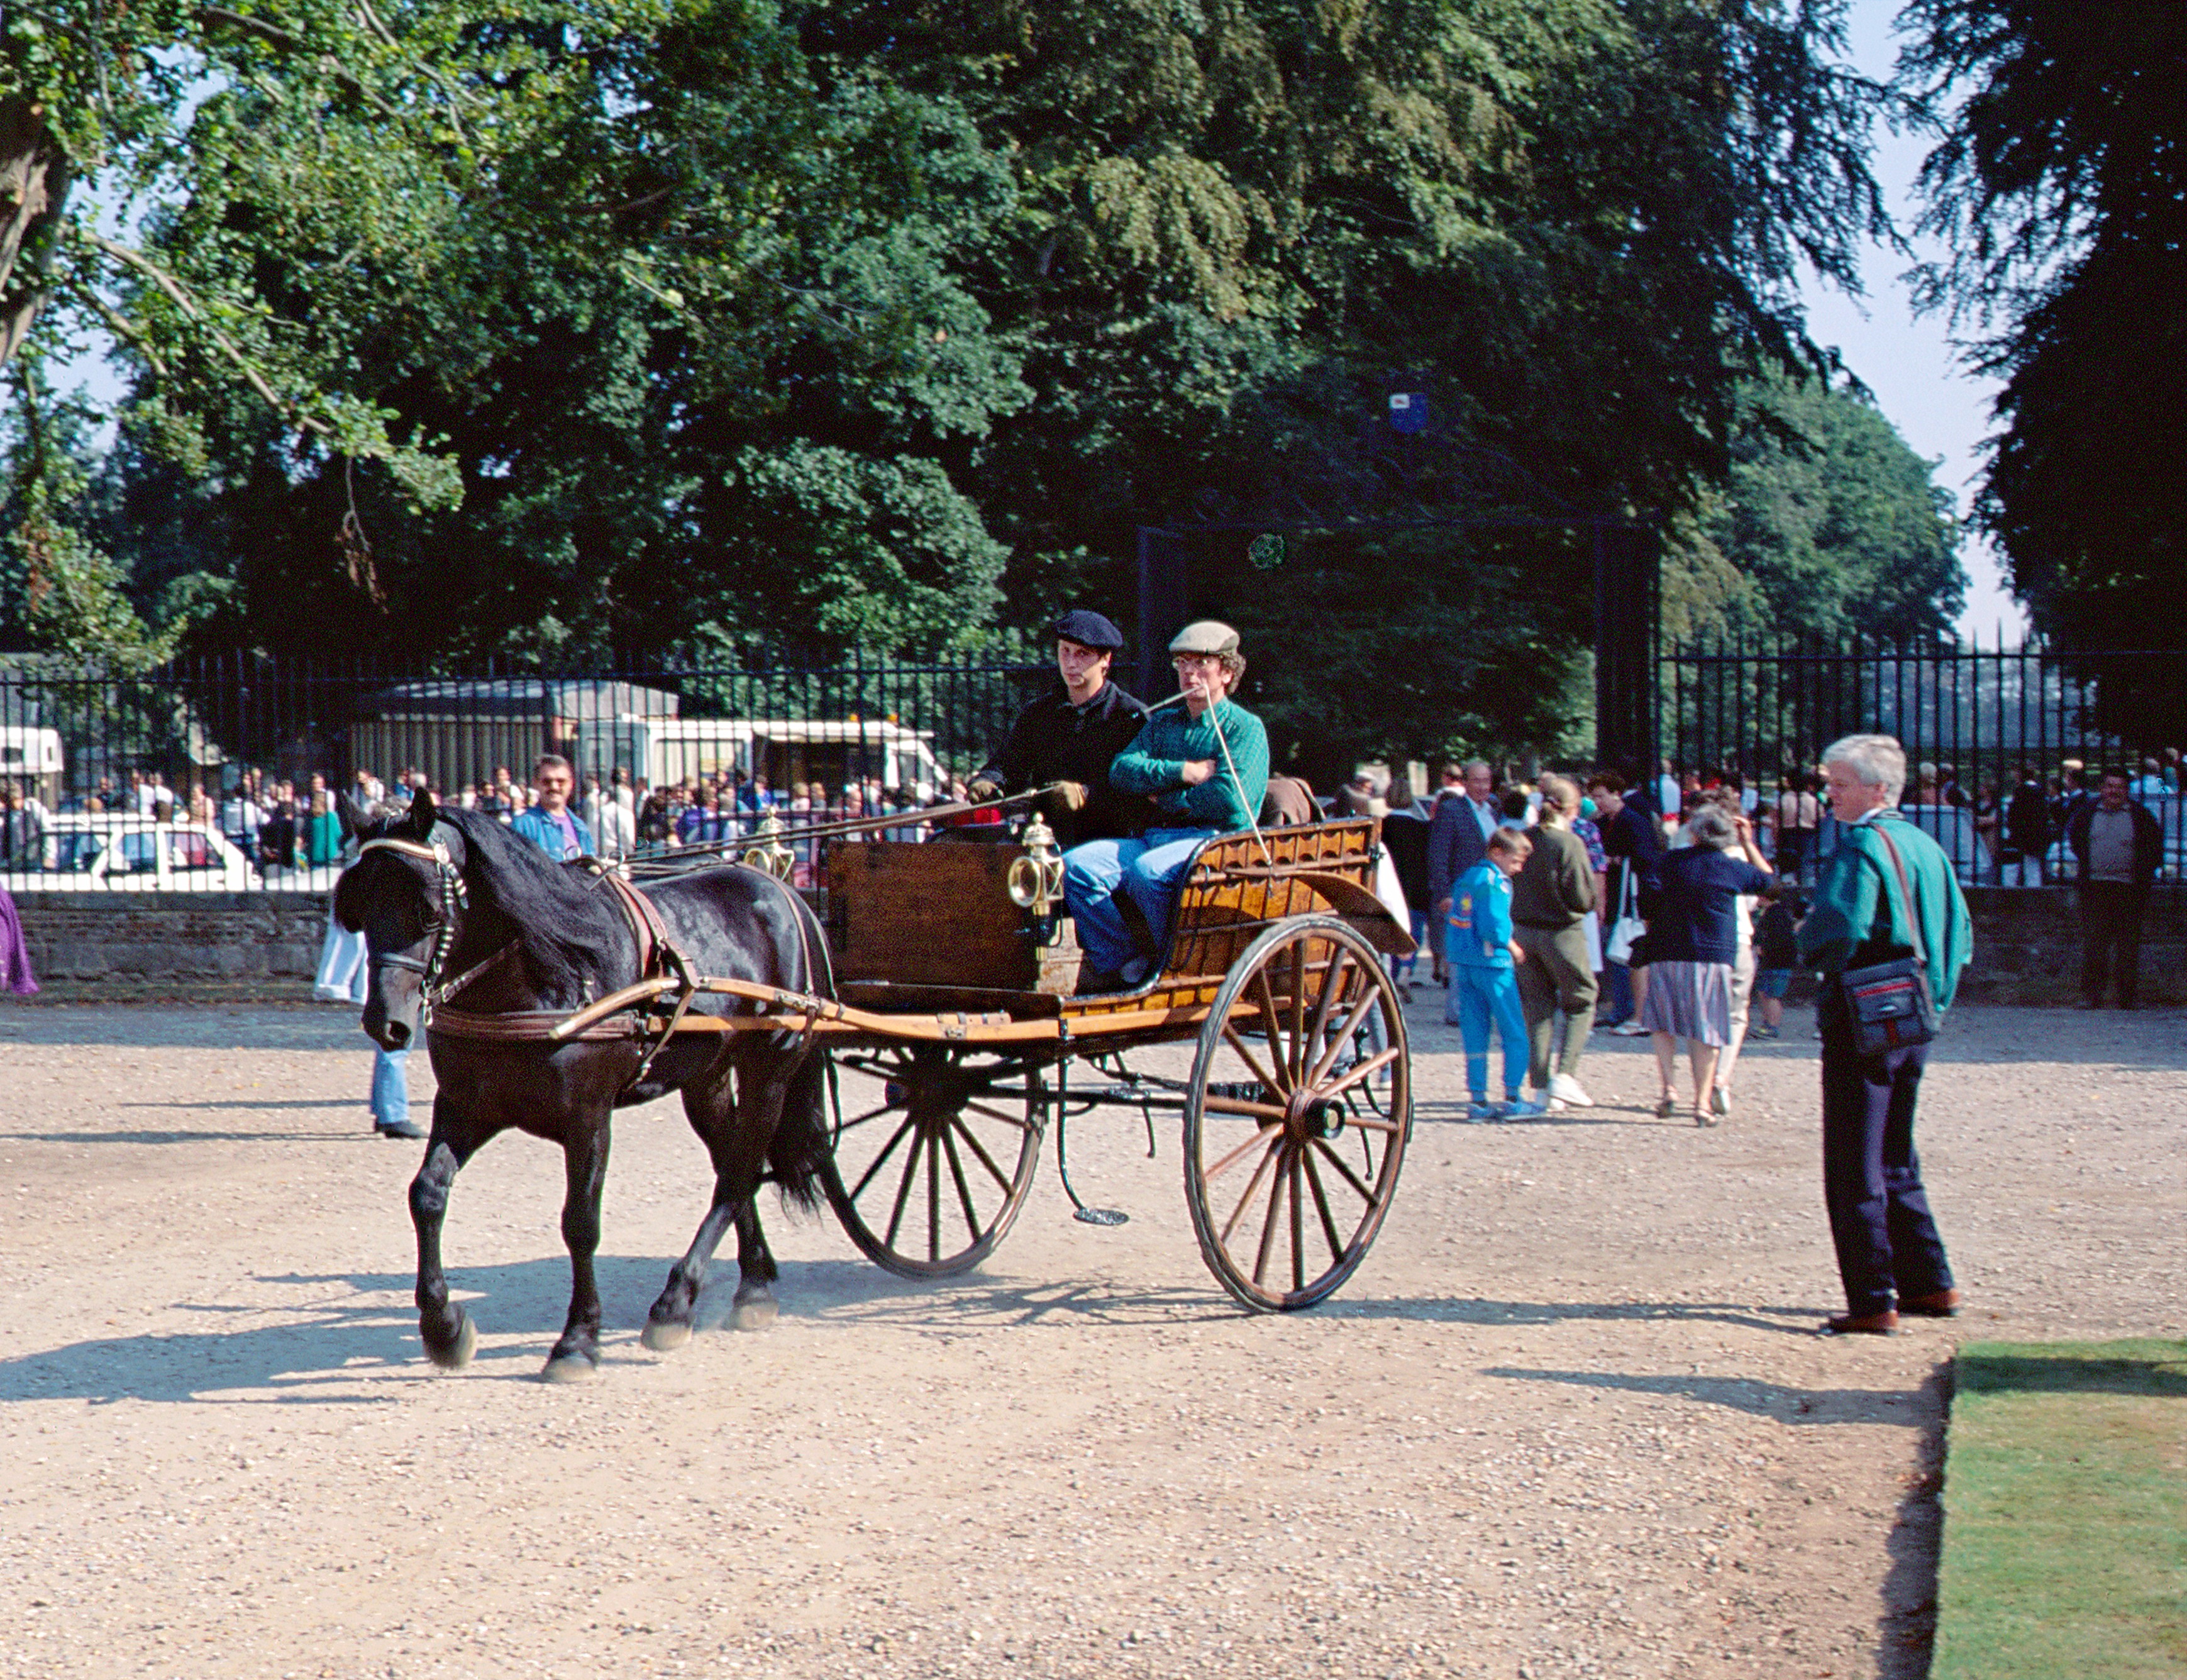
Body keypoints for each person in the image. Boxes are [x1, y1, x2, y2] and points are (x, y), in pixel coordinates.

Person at [1798, 732, 1972, 1337]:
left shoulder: (1863, 847)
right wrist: (1939, 998)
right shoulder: (1927, 844)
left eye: (1839, 784)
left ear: (1878, 788)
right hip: (1916, 1013)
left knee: (1855, 1160)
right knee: (1897, 1152)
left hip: (1864, 1014)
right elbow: (1960, 934)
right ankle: (1930, 1281)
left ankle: (1873, 1296)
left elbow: (1836, 927)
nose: (1829, 795)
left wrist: (1803, 944)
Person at [1061, 620, 1268, 992]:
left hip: (1216, 842)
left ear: (1226, 671)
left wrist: (1165, 796)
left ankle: (1174, 963)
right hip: (1155, 837)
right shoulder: (1163, 724)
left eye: (1201, 663)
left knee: (1148, 873)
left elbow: (1231, 801)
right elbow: (1122, 771)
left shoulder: (1244, 728)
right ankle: (1123, 961)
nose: (1190, 673)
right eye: (1183, 664)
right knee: (1076, 867)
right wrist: (1183, 772)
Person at [968, 609, 1151, 847]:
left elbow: (1141, 795)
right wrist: (987, 781)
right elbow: (1007, 764)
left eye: (1083, 654)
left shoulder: (1130, 717)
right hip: (1043, 835)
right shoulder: (1038, 713)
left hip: (1109, 842)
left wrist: (1086, 795)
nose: (1071, 663)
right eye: (1065, 651)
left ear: (1106, 660)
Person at [1637, 804, 1773, 1127]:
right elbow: (1771, 885)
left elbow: (1646, 898)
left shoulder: (1670, 862)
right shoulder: (1731, 867)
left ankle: (1669, 1088)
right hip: (1713, 955)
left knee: (1663, 1023)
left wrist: (1652, 925)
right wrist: (1750, 844)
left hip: (1666, 949)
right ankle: (1701, 1103)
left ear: (1695, 834)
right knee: (1706, 1030)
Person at [1509, 774, 1598, 1110]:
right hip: (1561, 932)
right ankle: (1566, 1075)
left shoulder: (1525, 838)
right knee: (1582, 999)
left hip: (1523, 932)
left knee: (1537, 1009)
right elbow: (1582, 897)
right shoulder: (1569, 843)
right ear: (1572, 810)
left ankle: (1542, 1087)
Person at [1447, 827, 1541, 1121]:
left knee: (1474, 1033)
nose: (1518, 869)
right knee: (1514, 1030)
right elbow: (1494, 925)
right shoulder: (1495, 882)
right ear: (1497, 853)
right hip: (1494, 965)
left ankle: (1477, 1101)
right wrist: (1511, 946)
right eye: (1515, 862)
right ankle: (1513, 1098)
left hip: (1464, 963)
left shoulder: (1469, 877)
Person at [2064, 768, 2164, 1009]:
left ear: (2127, 791)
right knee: (2095, 944)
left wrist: (2142, 875)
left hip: (2130, 890)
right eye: (2110, 786)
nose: (2114, 792)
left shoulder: (2141, 816)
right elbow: (2077, 841)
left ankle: (2126, 997)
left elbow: (2153, 849)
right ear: (2102, 788)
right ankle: (2092, 996)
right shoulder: (2087, 814)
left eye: (2120, 787)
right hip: (2096, 888)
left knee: (2128, 946)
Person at [1586, 772, 1659, 1033]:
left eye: (1601, 796)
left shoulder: (1632, 821)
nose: (1598, 802)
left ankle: (1628, 1008)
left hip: (1631, 894)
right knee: (1615, 949)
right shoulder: (1606, 821)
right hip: (1617, 891)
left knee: (1624, 949)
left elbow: (1645, 858)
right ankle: (1621, 1006)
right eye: (1594, 797)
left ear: (1616, 793)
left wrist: (1614, 860)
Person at [1427, 761, 1501, 940]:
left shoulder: (1494, 810)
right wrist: (1444, 894)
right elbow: (1438, 855)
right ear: (1465, 783)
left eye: (1486, 781)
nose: (1482, 787)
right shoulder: (1451, 810)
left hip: (1491, 894)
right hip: (1463, 895)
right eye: (1477, 781)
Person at [511, 754, 594, 861]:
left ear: (571, 784)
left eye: (561, 781)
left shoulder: (581, 827)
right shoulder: (524, 825)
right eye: (547, 781)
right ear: (535, 783)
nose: (554, 787)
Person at [1749, 884, 1801, 1039]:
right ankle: (1766, 1023)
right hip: (1771, 962)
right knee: (1763, 992)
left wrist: (1764, 948)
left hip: (1778, 962)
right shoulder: (1773, 912)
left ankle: (1773, 1026)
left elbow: (1780, 939)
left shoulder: (1776, 914)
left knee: (1772, 995)